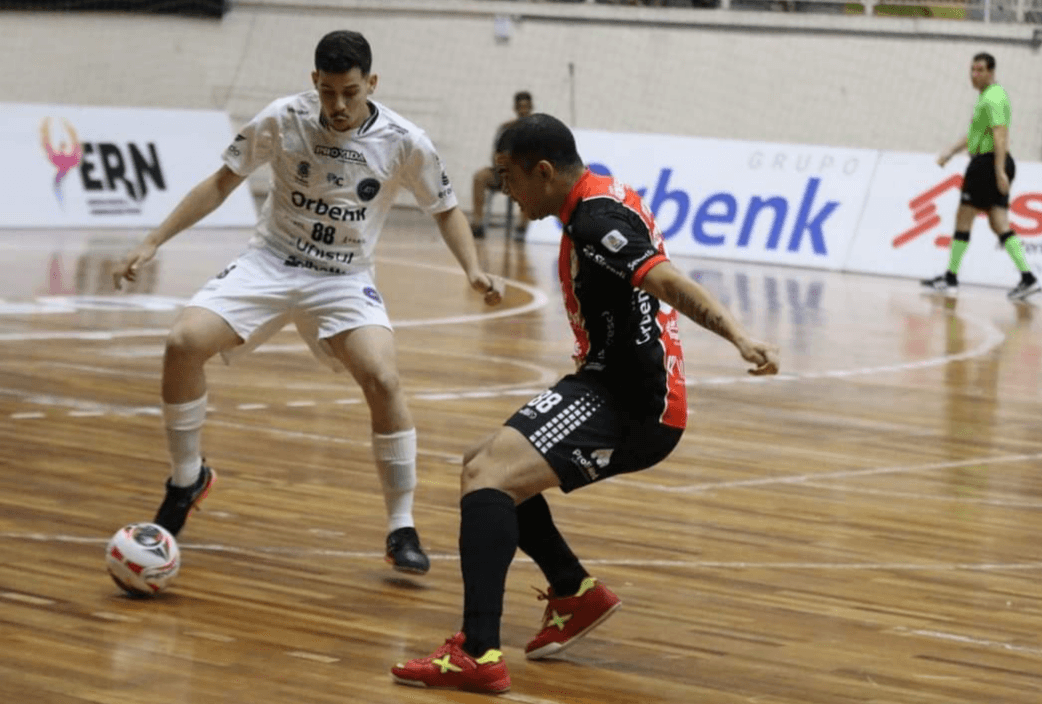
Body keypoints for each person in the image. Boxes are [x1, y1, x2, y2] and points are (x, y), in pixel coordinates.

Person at [391, 114, 779, 693]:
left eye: (509, 178)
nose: (505, 191)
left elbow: (667, 283)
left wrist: (740, 336)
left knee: (487, 477)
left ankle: (477, 651)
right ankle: (574, 592)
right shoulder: (600, 192)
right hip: (613, 383)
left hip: (631, 402)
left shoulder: (595, 220)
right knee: (483, 461)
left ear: (543, 172)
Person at [112, 30, 504, 576]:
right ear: (313, 82)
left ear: (372, 82)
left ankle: (402, 526)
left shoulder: (404, 140)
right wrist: (153, 240)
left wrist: (473, 268)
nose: (338, 105)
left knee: (384, 380)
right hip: (268, 263)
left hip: (343, 279)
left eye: (349, 92)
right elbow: (222, 182)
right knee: (182, 343)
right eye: (326, 91)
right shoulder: (282, 118)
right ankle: (186, 479)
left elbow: (444, 207)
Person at [921, 52, 1040, 301]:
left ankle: (950, 278)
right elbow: (973, 135)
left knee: (964, 216)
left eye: (980, 70)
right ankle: (1028, 277)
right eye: (972, 70)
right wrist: (950, 152)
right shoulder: (985, 98)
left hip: (988, 163)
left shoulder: (994, 98)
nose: (974, 75)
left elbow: (1000, 135)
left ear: (991, 72)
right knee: (999, 223)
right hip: (990, 162)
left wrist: (998, 171)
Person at [469, 91, 534, 241]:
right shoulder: (505, 128)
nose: (523, 110)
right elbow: (495, 154)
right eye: (520, 107)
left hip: (525, 177)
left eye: (526, 107)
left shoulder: (539, 130)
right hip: (503, 174)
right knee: (480, 177)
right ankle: (477, 224)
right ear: (515, 108)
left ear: (531, 107)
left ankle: (522, 227)